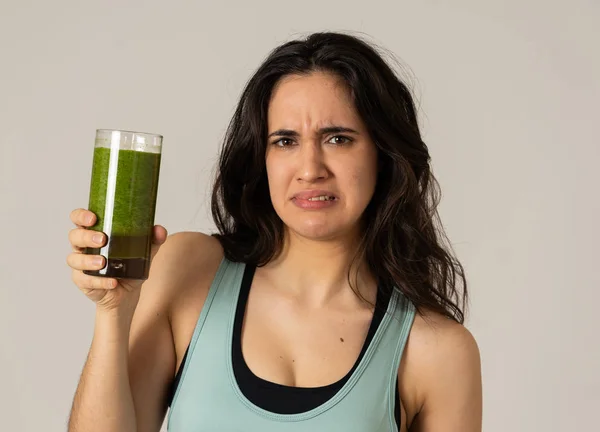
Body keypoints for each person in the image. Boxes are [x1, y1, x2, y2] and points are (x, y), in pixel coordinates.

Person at [66, 32, 482, 432]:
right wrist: (113, 314)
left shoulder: (436, 351)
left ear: (384, 155)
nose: (309, 169)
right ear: (261, 157)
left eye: (338, 138)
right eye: (285, 141)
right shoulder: (191, 271)